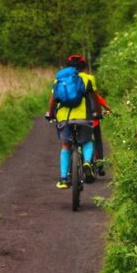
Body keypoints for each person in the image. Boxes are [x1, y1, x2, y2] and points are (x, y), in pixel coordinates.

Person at [45, 54, 100, 189]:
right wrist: (97, 113)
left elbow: (53, 100)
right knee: (87, 140)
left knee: (66, 145)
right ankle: (87, 162)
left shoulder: (60, 79)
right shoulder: (88, 78)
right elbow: (95, 99)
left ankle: (63, 178)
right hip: (84, 117)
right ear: (84, 67)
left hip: (65, 118)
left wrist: (50, 114)